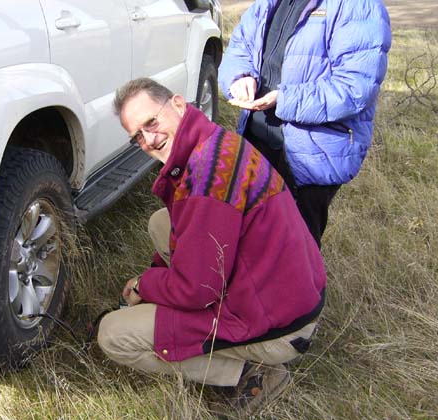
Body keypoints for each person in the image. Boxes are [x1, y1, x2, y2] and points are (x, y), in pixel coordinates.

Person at [97, 78, 326, 412]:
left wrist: (142, 284)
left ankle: (253, 373)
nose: (148, 140)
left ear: (177, 103)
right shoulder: (213, 142)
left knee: (114, 335)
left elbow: (197, 290)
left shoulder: (205, 180)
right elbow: (190, 240)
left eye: (151, 123)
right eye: (137, 136)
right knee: (161, 222)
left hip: (279, 324)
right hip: (294, 292)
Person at [218, 0, 392, 247]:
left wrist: (284, 99)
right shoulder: (267, 3)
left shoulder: (357, 6)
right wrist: (239, 76)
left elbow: (355, 87)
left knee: (297, 254)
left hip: (312, 152)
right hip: (256, 140)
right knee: (252, 242)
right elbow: (240, 48)